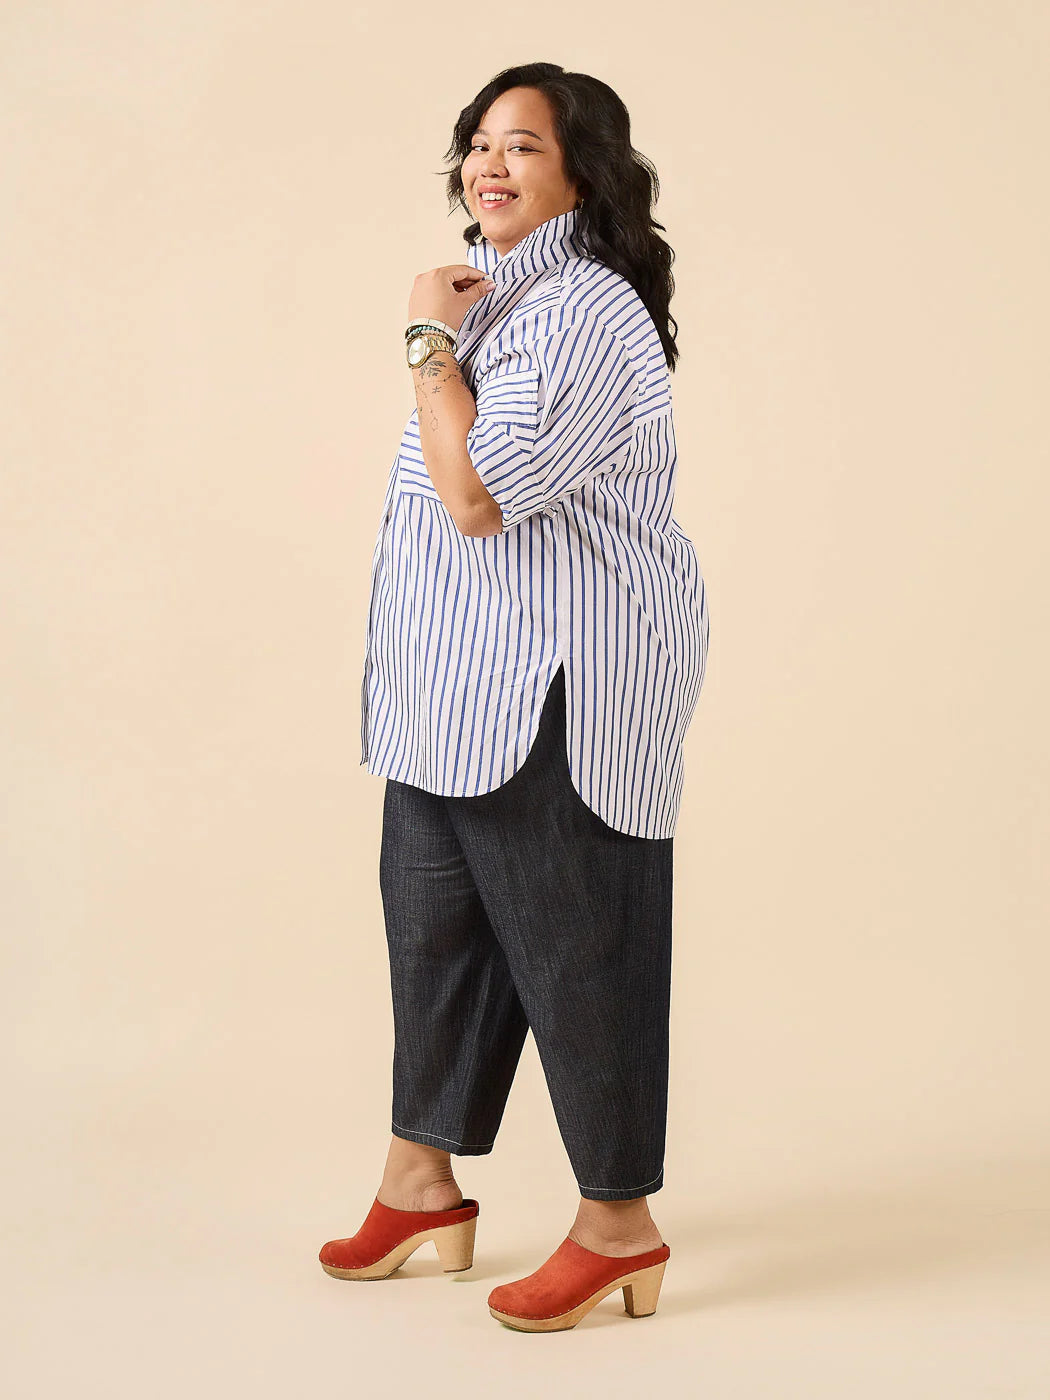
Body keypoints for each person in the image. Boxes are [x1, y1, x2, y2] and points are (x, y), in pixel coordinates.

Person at [319, 63, 709, 1333]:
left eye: (524, 146)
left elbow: (478, 495)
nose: (491, 165)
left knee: (581, 947)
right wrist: (447, 331)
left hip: (557, 683)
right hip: (446, 682)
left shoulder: (582, 307)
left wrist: (423, 340)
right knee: (433, 935)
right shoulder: (497, 298)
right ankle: (419, 1182)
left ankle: (618, 1226)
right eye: (480, 143)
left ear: (581, 173)